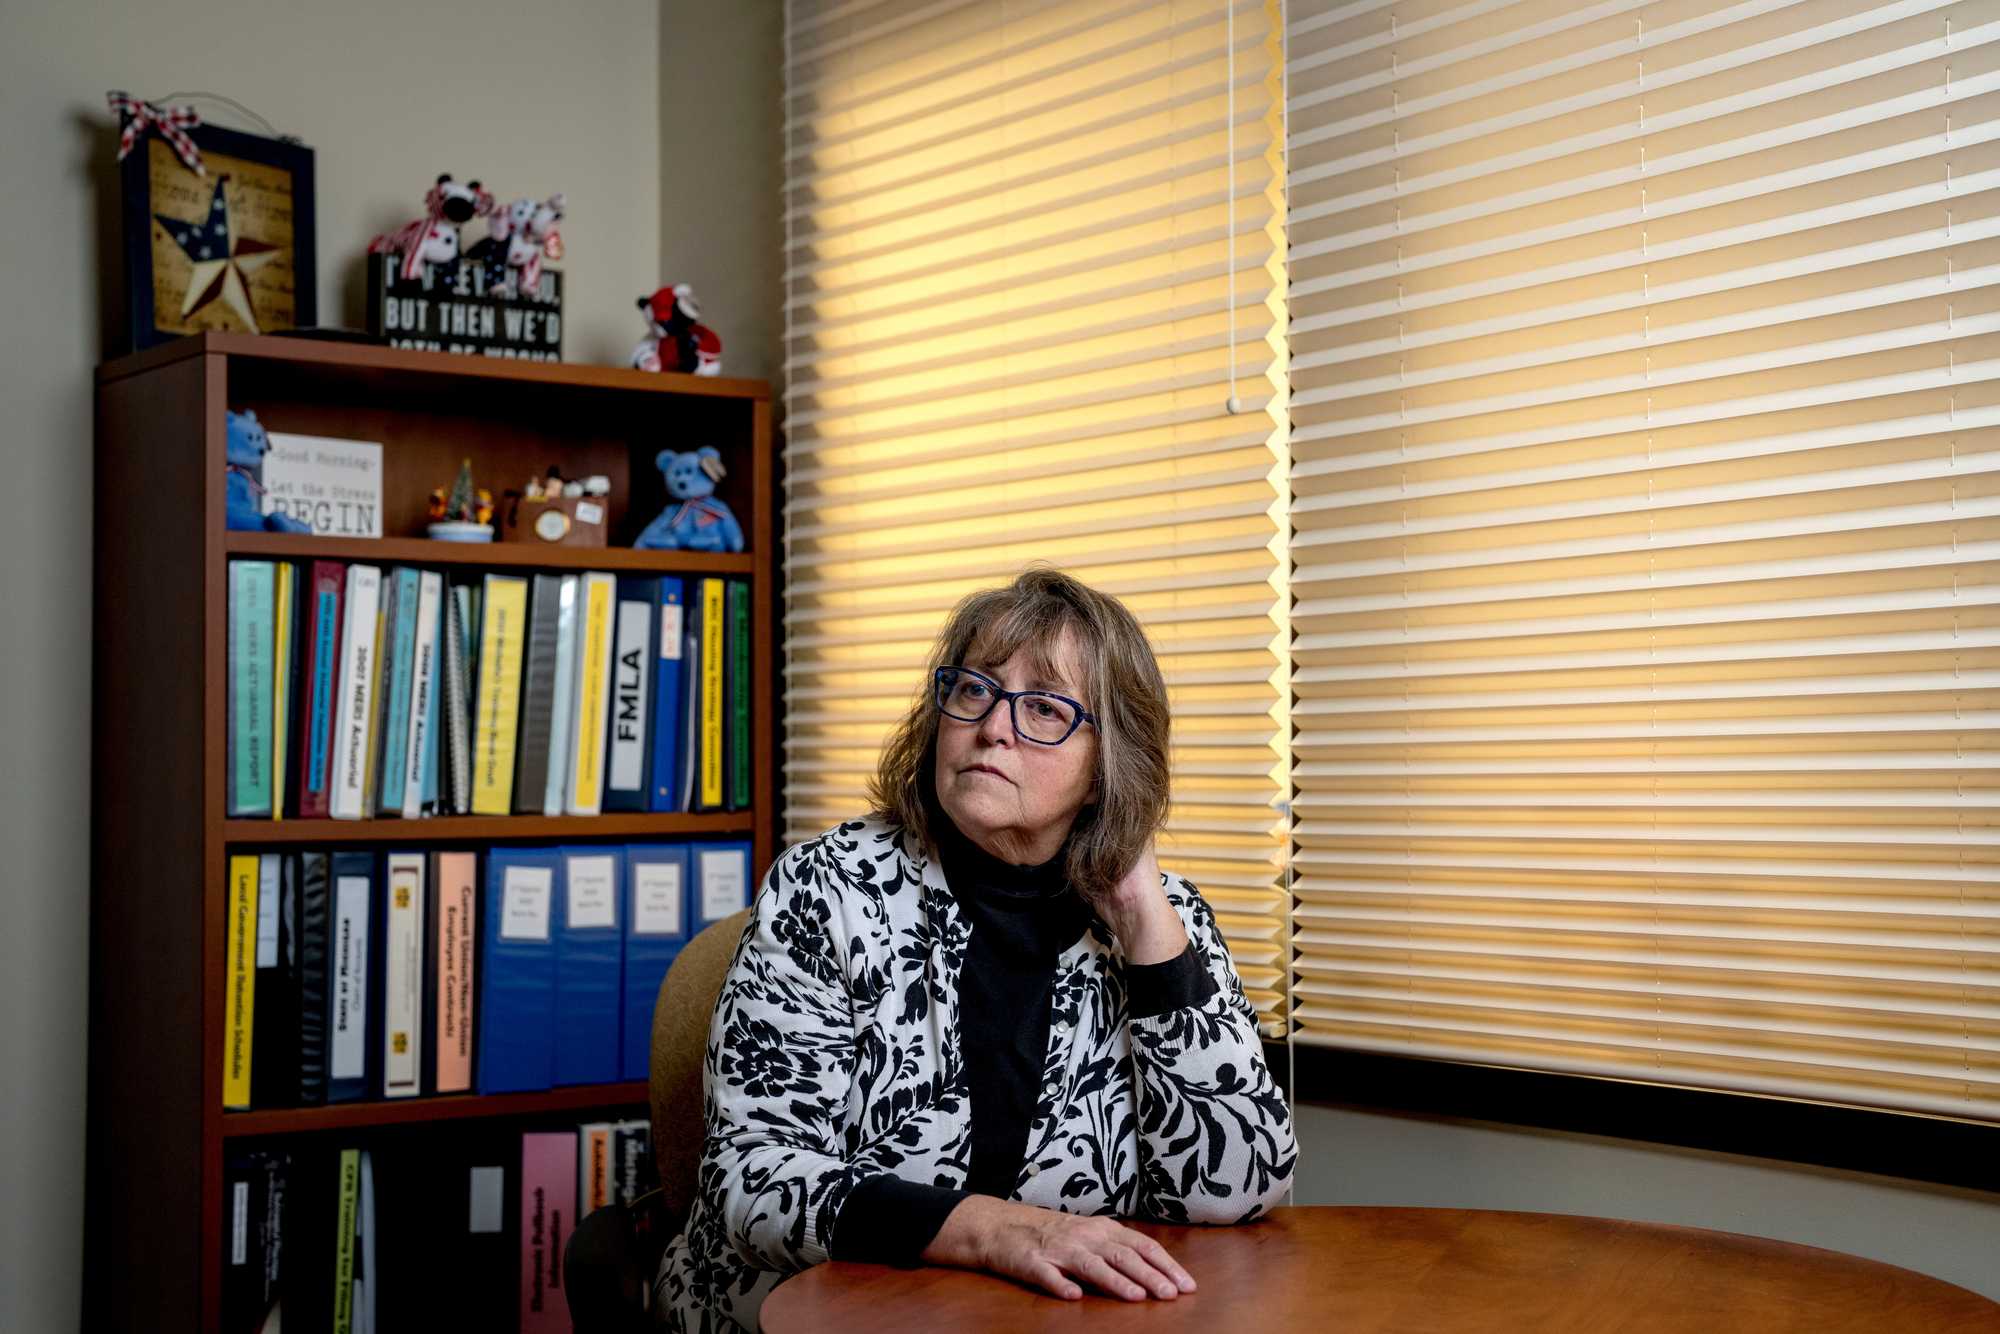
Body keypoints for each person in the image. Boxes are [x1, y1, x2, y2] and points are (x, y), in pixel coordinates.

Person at [655, 567, 1296, 1332]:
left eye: (1045, 708)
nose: (994, 727)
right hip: (808, 1315)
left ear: (1106, 765)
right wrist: (998, 1232)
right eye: (974, 691)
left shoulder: (1167, 917)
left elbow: (1240, 1186)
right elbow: (751, 1185)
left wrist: (1141, 917)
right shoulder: (829, 889)